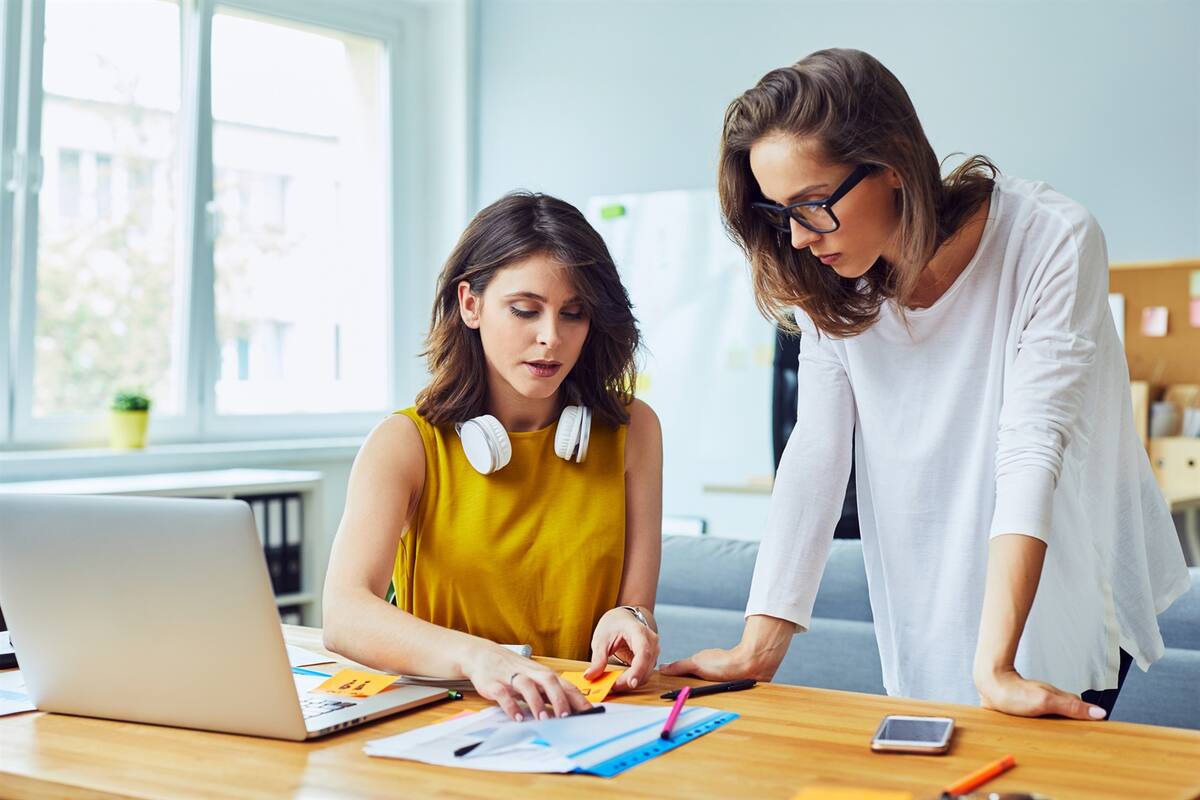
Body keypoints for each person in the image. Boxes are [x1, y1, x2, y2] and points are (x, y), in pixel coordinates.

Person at [662, 49, 1190, 721]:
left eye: (812, 205)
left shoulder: (1050, 239)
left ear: (889, 165)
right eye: (779, 213)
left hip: (1058, 569)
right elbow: (819, 452)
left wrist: (996, 664)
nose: (796, 238)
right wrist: (757, 645)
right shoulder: (832, 280)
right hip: (929, 577)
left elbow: (1032, 445)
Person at [323, 192, 663, 721]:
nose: (551, 337)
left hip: (580, 719)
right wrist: (483, 659)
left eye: (573, 314)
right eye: (525, 310)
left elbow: (635, 605)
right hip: (445, 717)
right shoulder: (406, 443)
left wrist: (631, 618)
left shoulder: (633, 429)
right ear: (470, 304)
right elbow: (344, 614)